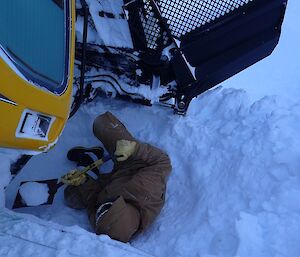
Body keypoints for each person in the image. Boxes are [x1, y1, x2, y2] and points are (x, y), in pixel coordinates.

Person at [62, 111, 172, 242]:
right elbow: (162, 162)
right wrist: (134, 149)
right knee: (102, 124)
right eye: (107, 206)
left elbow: (92, 198)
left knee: (72, 197)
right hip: (135, 163)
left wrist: (82, 181)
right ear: (122, 209)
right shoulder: (147, 190)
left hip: (113, 181)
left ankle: (91, 158)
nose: (102, 206)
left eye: (100, 211)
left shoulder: (103, 222)